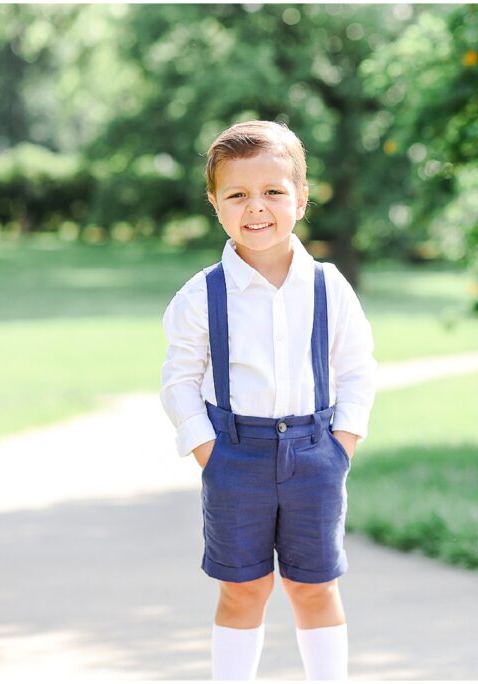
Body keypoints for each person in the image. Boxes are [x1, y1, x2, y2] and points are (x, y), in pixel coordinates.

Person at [159, 120, 378, 680]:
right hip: (235, 455)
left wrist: (341, 446)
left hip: (314, 453)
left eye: (273, 192)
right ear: (215, 203)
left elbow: (357, 368)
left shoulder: (328, 286)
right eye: (237, 195)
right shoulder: (200, 295)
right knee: (242, 588)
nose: (256, 208)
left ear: (301, 199)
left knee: (315, 587)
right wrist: (209, 451)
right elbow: (179, 379)